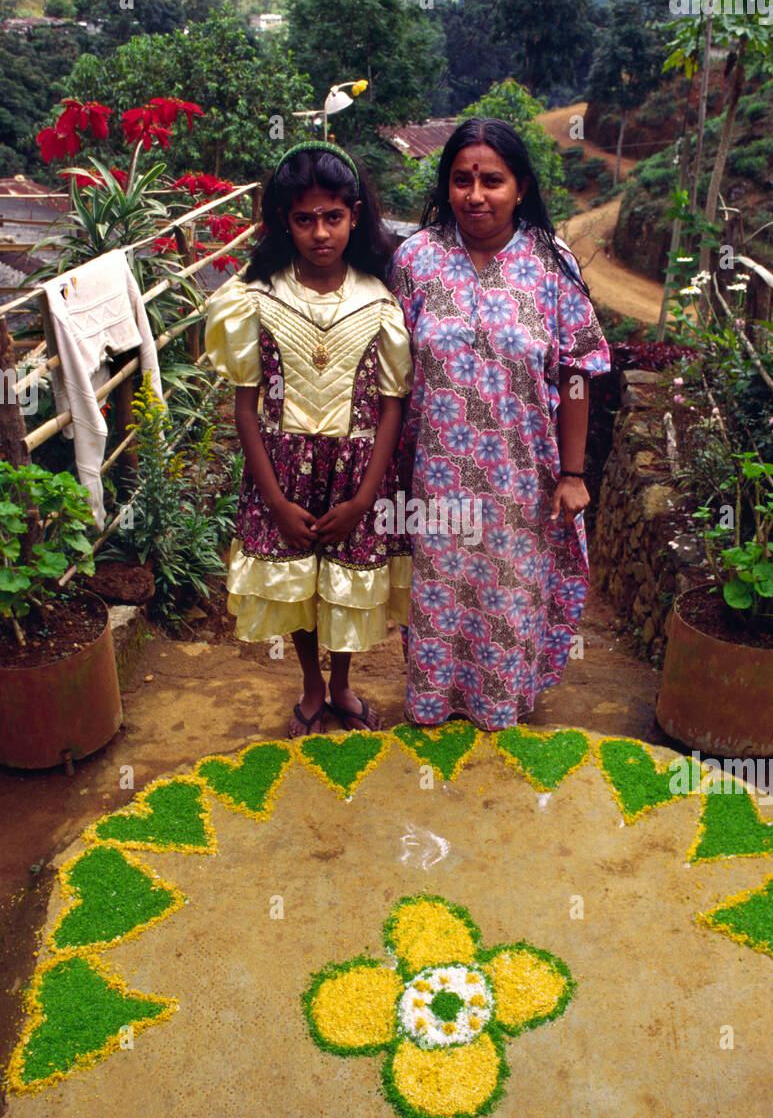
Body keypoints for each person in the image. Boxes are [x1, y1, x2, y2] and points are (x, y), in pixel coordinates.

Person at [389, 118, 610, 731]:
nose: (475, 195)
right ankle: (434, 706)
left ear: (520, 186)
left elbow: (575, 372)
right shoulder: (415, 260)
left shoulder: (550, 263)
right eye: (462, 180)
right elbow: (387, 373)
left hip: (523, 478)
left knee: (506, 599)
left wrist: (572, 473)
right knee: (439, 595)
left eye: (492, 180)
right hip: (435, 476)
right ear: (446, 185)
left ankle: (499, 707)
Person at [204, 142, 412, 736]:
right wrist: (272, 499)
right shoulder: (256, 299)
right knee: (297, 585)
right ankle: (311, 686)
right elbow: (246, 409)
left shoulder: (380, 302)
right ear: (282, 223)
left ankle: (342, 683)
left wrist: (365, 498)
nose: (320, 233)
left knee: (347, 584)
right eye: (304, 219)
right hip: (282, 470)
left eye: (333, 217)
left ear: (354, 216)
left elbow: (392, 407)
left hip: (357, 473)